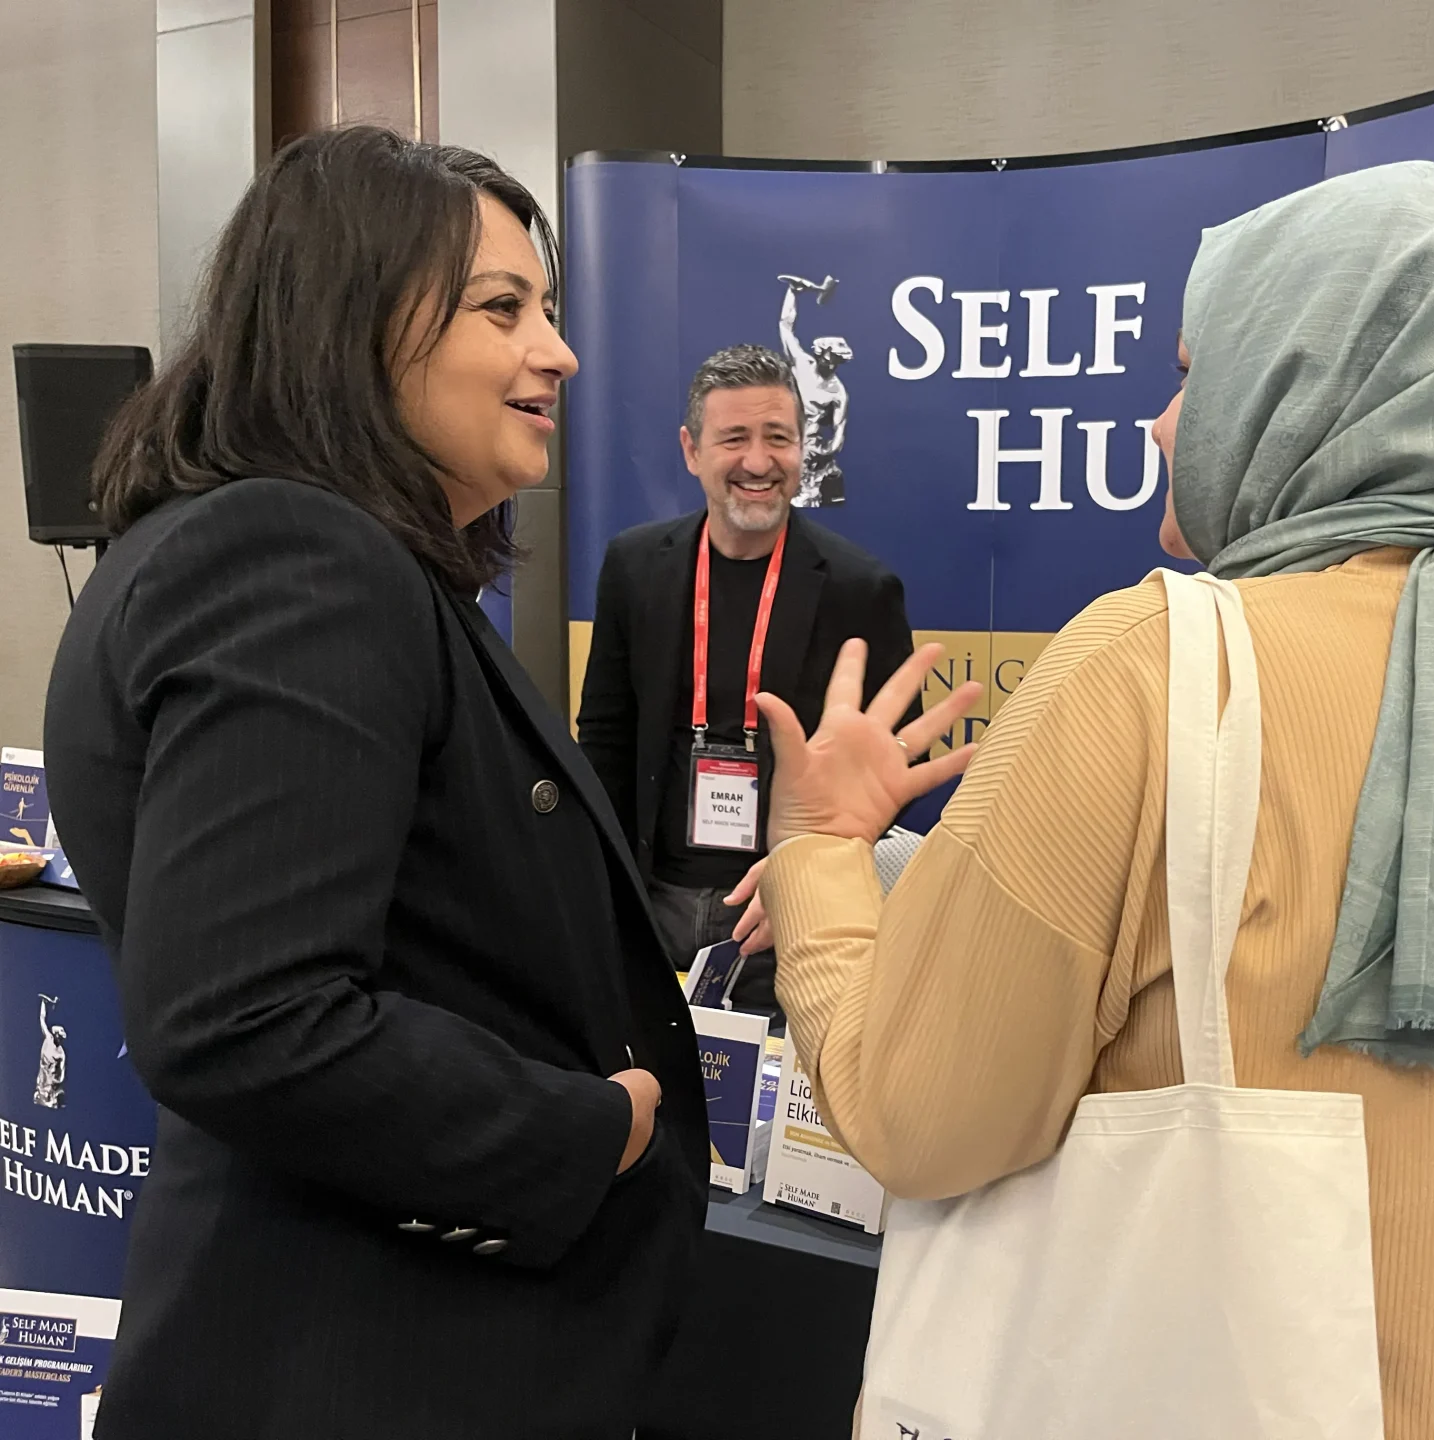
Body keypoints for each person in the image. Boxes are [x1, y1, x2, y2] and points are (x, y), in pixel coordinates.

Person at [740, 162, 1434, 1438]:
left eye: (1194, 375)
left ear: (1316, 380)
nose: (1162, 426)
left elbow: (915, 1119)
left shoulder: (1157, 666)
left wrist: (823, 848)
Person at [44, 127, 705, 1440]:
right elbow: (246, 1017)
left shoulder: (313, 558)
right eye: (503, 309)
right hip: (366, 1368)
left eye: (550, 310)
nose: (558, 352)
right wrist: (590, 1132)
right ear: (355, 323)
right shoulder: (295, 556)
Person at [575, 343, 915, 1012]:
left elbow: (892, 771)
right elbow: (605, 739)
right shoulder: (634, 567)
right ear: (691, 450)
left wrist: (805, 881)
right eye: (734, 438)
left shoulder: (861, 589)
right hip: (649, 907)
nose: (758, 462)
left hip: (785, 918)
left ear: (802, 449)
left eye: (778, 438)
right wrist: (608, 889)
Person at [776, 276, 853, 506]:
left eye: (837, 360)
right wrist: (793, 293)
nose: (832, 363)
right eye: (830, 357)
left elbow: (838, 433)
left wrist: (823, 453)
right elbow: (785, 325)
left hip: (807, 450)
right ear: (820, 353)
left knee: (803, 504)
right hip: (779, 439)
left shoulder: (838, 393)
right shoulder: (802, 363)